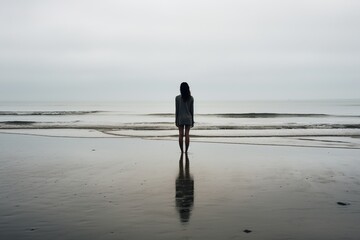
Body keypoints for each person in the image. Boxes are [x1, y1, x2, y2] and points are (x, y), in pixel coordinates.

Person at [175, 82, 194, 153]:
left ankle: (181, 151)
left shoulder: (177, 98)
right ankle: (186, 151)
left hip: (180, 118)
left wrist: (176, 120)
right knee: (187, 134)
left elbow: (177, 110)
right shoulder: (191, 98)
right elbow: (192, 111)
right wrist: (192, 121)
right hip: (188, 118)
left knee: (180, 134)